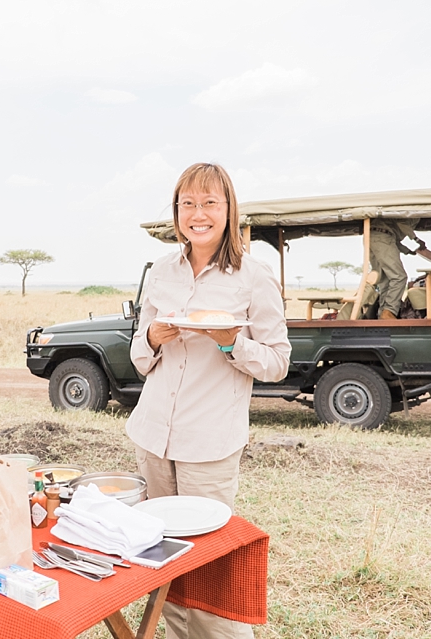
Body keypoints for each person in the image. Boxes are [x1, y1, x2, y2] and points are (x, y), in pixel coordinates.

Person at [125, 163, 291, 639]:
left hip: (210, 442)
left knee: (207, 562)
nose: (198, 214)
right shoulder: (161, 272)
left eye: (210, 203)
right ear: (177, 213)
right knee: (162, 554)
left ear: (228, 210)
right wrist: (153, 336)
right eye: (188, 204)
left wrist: (229, 341)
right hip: (153, 434)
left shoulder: (253, 277)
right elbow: (141, 354)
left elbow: (278, 362)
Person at [369, 219, 424, 319]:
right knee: (399, 277)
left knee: (385, 281)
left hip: (373, 237)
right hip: (383, 236)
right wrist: (416, 239)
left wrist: (408, 251)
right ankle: (389, 311)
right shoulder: (413, 213)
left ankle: (382, 314)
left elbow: (392, 240)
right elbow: (401, 224)